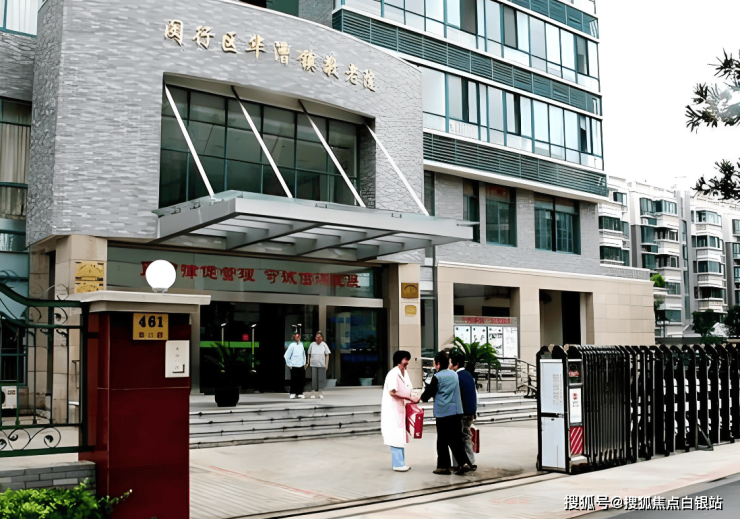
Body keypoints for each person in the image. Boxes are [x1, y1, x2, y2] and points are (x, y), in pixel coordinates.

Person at [421, 351, 472, 475]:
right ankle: (464, 463)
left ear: (438, 363)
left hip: (443, 412)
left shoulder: (437, 377)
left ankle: (443, 467)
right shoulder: (454, 375)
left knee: (442, 441)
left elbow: (427, 395)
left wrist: (422, 395)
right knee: (456, 439)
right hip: (456, 411)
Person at [381, 350, 419, 472]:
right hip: (393, 409)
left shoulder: (404, 373)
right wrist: (409, 397)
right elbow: (392, 392)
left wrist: (413, 396)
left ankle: (401, 463)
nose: (407, 362)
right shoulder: (393, 374)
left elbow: (408, 389)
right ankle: (397, 464)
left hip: (401, 408)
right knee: (395, 436)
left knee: (400, 436)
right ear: (399, 360)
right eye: (405, 359)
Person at [450, 351, 478, 471]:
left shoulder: (456, 376)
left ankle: (458, 464)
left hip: (461, 412)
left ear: (455, 364)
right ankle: (471, 461)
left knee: (456, 438)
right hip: (470, 411)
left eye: (450, 362)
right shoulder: (468, 375)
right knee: (466, 436)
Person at [307, 331, 331, 398]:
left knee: (320, 380)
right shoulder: (312, 344)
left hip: (321, 364)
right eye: (317, 337)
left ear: (322, 338)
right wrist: (308, 362)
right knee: (314, 379)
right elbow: (309, 354)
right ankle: (313, 393)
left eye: (319, 337)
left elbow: (327, 355)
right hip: (313, 364)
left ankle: (320, 393)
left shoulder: (324, 344)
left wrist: (326, 364)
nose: (318, 338)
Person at [284, 332, 306, 399]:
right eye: (296, 337)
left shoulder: (301, 344)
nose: (298, 338)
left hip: (301, 365)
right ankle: (292, 393)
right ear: (294, 338)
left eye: (299, 336)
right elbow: (286, 355)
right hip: (294, 365)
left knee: (301, 380)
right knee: (294, 380)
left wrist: (304, 363)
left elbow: (303, 354)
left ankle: (299, 393)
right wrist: (289, 364)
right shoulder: (292, 345)